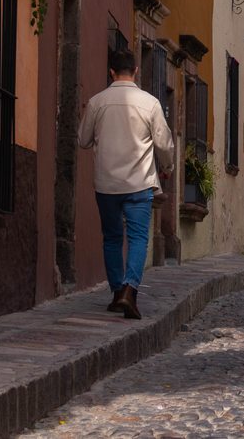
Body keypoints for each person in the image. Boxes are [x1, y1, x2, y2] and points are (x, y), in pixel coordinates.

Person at [78, 47, 174, 321]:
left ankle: (117, 291)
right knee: (138, 238)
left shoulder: (97, 102)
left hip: (106, 184)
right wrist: (166, 167)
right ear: (136, 71)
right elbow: (164, 144)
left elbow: (83, 140)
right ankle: (130, 290)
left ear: (111, 72)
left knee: (111, 238)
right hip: (138, 183)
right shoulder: (150, 103)